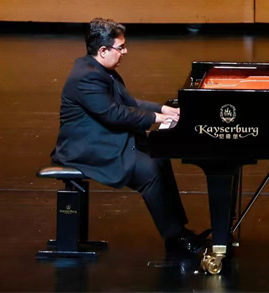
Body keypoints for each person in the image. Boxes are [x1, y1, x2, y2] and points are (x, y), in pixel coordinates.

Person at [52, 18, 204, 255]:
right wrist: (157, 118)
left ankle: (178, 231)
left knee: (159, 157)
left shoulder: (100, 70)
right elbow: (114, 114)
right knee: (149, 171)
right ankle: (175, 238)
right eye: (120, 47)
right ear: (103, 50)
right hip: (84, 148)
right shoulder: (86, 77)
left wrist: (164, 109)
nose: (125, 51)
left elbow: (128, 103)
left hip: (101, 139)